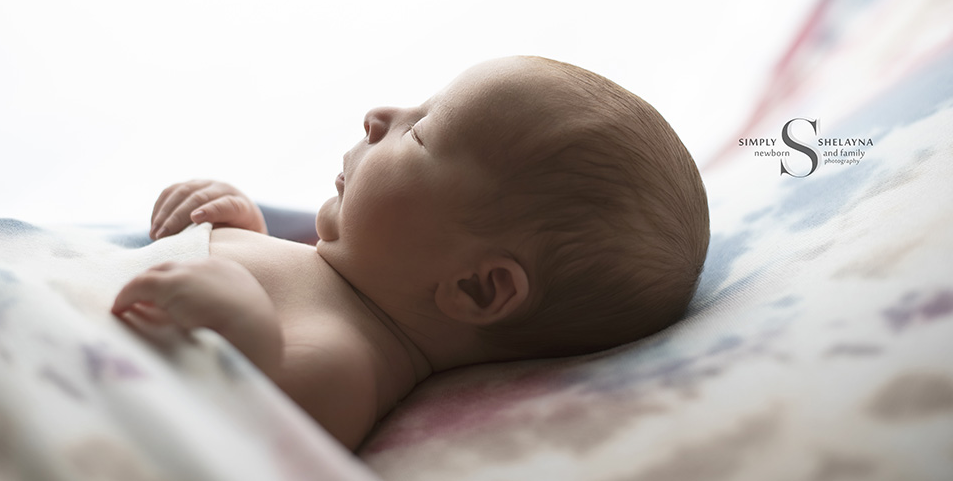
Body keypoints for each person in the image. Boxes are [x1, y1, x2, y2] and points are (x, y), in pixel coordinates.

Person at [111, 55, 710, 450]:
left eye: (420, 133)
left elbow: (256, 442)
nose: (378, 117)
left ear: (478, 288)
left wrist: (243, 324)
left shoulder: (342, 363)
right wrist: (242, 226)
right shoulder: (336, 281)